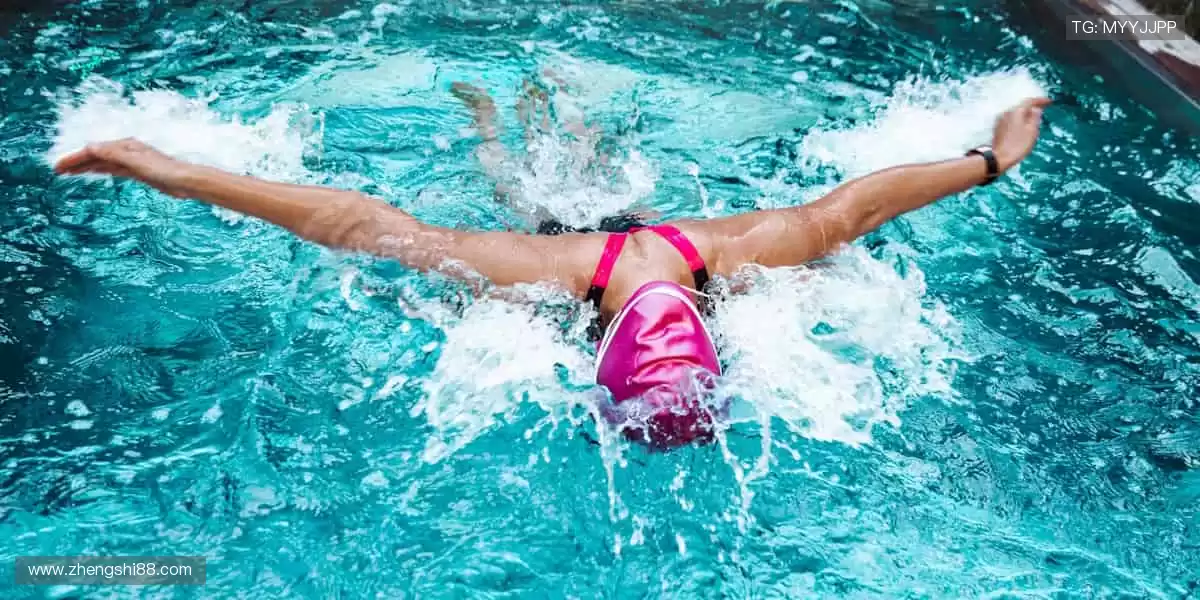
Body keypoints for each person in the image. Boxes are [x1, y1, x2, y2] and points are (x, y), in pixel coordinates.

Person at [53, 96, 1051, 450]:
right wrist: (991, 162)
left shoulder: (550, 275)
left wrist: (169, 166)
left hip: (573, 253)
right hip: (586, 244)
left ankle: (511, 114)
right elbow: (853, 209)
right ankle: (511, 114)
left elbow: (357, 222)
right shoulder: (717, 255)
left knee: (525, 182)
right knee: (540, 171)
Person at [450, 73, 656, 236]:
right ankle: (496, 121)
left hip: (574, 241)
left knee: (524, 176)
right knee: (526, 175)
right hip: (589, 239)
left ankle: (490, 117)